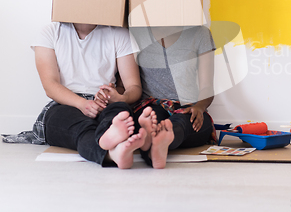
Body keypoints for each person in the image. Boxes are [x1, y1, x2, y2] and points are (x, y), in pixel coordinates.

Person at [3, 22, 147, 169]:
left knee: (120, 110)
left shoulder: (119, 34)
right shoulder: (51, 32)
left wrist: (120, 97)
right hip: (65, 103)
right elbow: (50, 86)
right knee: (81, 128)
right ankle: (112, 152)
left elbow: (134, 87)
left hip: (104, 103)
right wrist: (82, 104)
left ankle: (111, 139)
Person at [127, 25, 216, 169]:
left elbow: (207, 86)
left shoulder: (199, 33)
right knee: (152, 117)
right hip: (150, 105)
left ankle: (161, 138)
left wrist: (199, 107)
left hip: (187, 107)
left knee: (184, 122)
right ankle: (156, 140)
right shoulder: (136, 32)